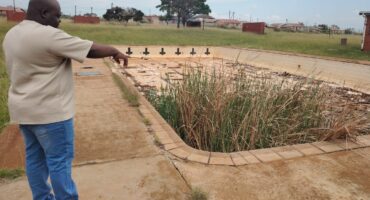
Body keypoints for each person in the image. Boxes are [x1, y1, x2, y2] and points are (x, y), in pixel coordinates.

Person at [2, 0, 129, 199]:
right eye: (56, 15)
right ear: (43, 13)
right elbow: (90, 49)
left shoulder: (12, 35)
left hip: (24, 112)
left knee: (35, 160)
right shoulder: (47, 35)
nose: (59, 20)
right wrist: (114, 50)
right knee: (58, 162)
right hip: (51, 115)